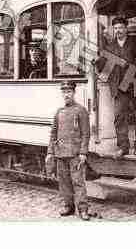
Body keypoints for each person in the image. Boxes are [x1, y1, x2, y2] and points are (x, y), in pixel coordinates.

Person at [46, 81, 90, 220]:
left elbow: (85, 133)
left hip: (75, 153)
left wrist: (83, 152)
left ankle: (83, 209)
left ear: (73, 93)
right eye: (64, 92)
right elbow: (53, 133)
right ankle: (68, 206)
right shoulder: (59, 112)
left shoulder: (81, 110)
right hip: (60, 153)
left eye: (69, 92)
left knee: (78, 182)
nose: (66, 95)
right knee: (64, 182)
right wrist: (50, 152)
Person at [102, 17, 136, 156]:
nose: (118, 30)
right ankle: (123, 146)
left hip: (135, 84)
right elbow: (104, 66)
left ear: (126, 28)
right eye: (116, 28)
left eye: (120, 27)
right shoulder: (110, 46)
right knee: (119, 116)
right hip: (119, 87)